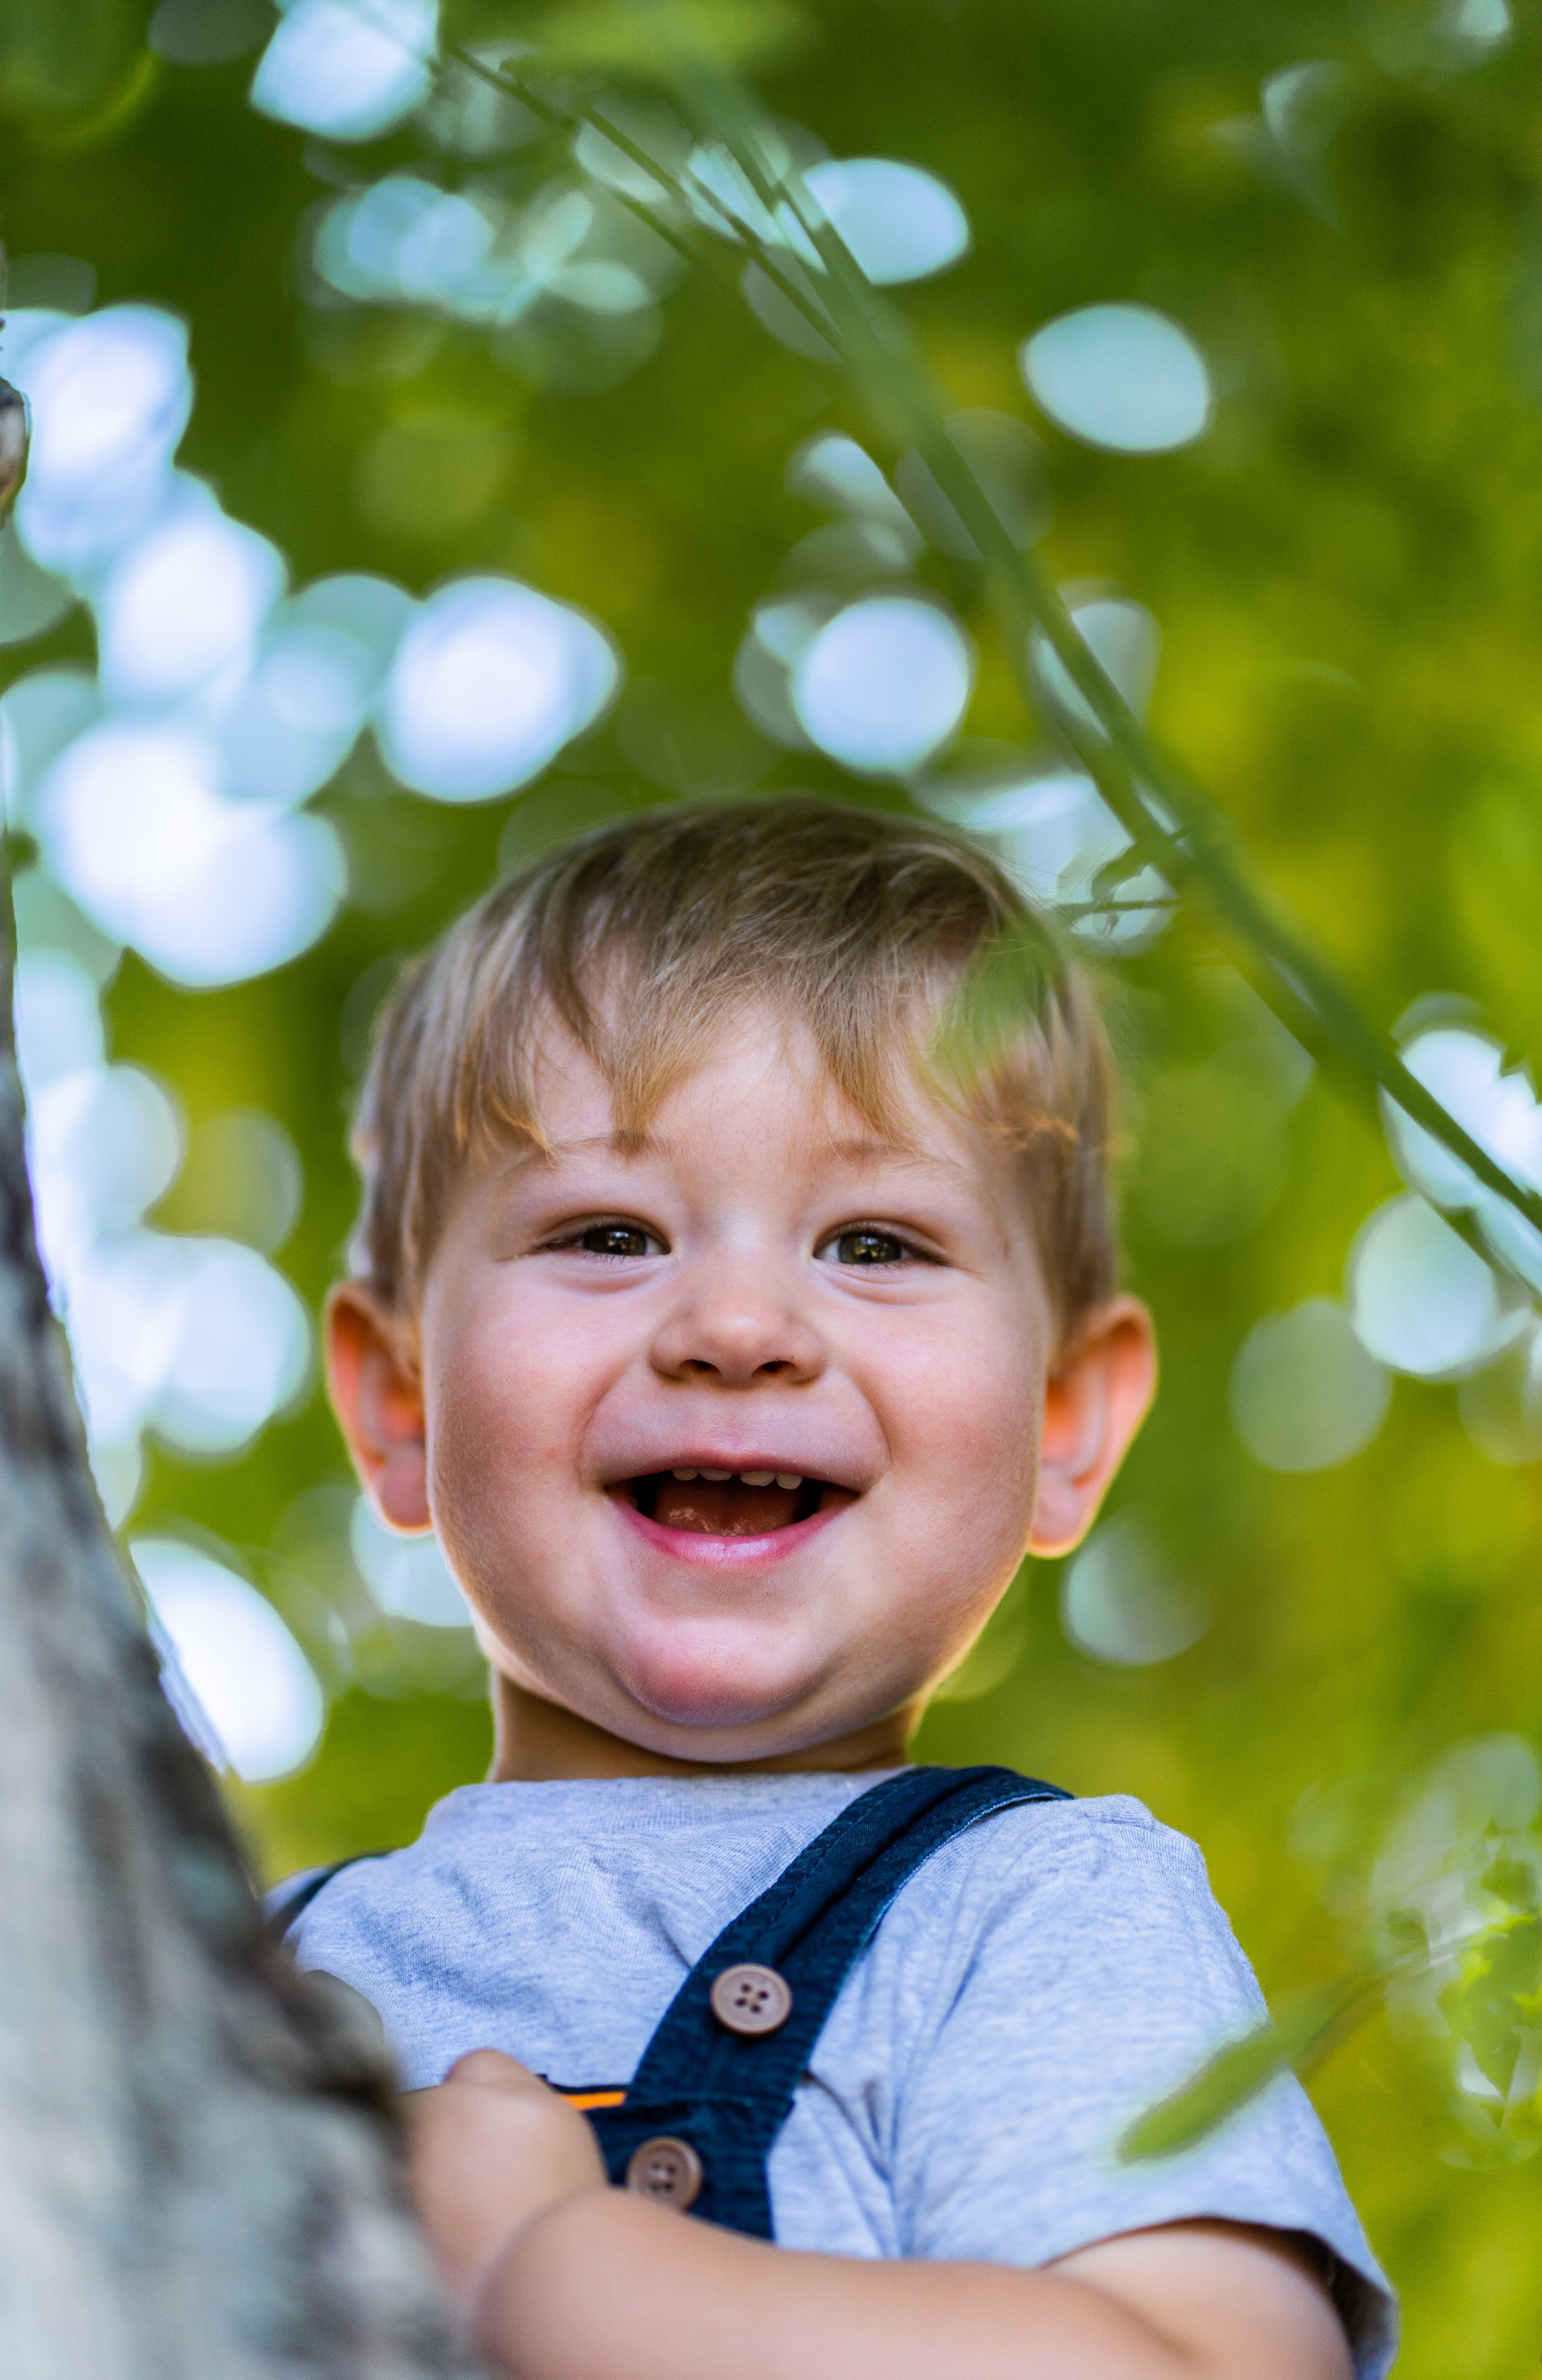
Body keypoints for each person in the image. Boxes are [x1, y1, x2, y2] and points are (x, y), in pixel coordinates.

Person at [282, 798, 1396, 2380]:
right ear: (398, 1402)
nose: (736, 1325)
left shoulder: (1024, 1913)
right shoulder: (222, 1964)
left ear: (1062, 1425)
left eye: (874, 1241)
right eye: (607, 1231)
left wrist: (552, 2270)